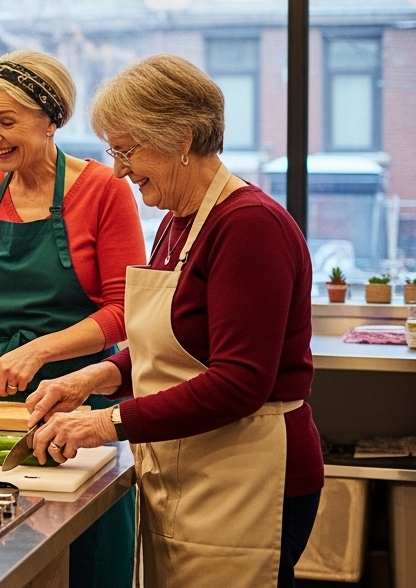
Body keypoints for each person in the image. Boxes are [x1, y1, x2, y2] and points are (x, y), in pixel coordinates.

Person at [28, 54, 323, 588]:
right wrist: (92, 377)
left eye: (127, 149)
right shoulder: (178, 222)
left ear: (182, 138)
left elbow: (240, 382)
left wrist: (103, 423)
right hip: (192, 467)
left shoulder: (248, 226)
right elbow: (174, 343)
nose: (119, 169)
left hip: (250, 477)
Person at [0, 51, 142, 587]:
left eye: (6, 122)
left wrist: (41, 350)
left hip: (83, 392)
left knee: (87, 544)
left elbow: (125, 311)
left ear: (50, 119)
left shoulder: (105, 190)